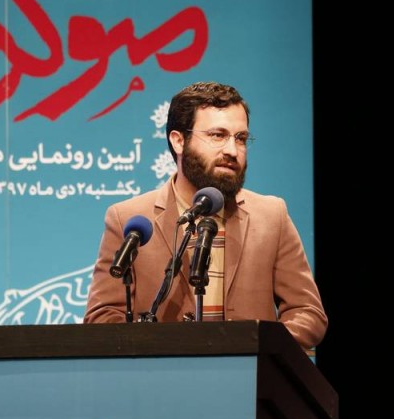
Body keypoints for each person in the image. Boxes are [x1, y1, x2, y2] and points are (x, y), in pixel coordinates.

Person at [83, 81, 327, 350]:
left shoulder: (272, 216)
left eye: (241, 138)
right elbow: (102, 317)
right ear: (179, 141)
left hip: (251, 375)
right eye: (217, 135)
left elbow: (308, 314)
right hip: (161, 375)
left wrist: (258, 347)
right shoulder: (128, 218)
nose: (232, 150)